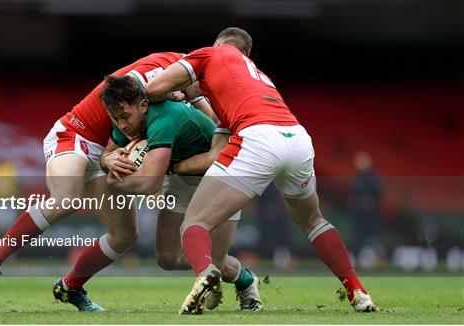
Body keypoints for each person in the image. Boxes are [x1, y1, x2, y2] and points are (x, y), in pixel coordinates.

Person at [144, 27, 379, 314]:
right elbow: (218, 140)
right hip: (297, 139)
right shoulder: (255, 76)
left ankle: (205, 274)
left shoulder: (210, 54)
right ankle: (358, 290)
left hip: (257, 138)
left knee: (195, 223)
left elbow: (152, 89)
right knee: (313, 221)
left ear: (219, 44)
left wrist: (180, 94)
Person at [0, 52, 210, 312]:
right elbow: (189, 99)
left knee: (125, 236)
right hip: (75, 136)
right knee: (66, 199)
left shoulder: (168, 82)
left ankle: (70, 287)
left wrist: (110, 160)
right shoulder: (162, 77)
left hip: (111, 148)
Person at [100, 75, 262, 312]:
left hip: (221, 178)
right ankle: (211, 272)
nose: (122, 125)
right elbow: (107, 153)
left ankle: (245, 281)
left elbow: (149, 185)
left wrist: (114, 184)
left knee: (215, 262)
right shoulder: (124, 116)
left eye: (125, 117)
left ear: (143, 105)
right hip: (181, 180)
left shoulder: (164, 119)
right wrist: (108, 160)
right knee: (167, 259)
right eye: (115, 118)